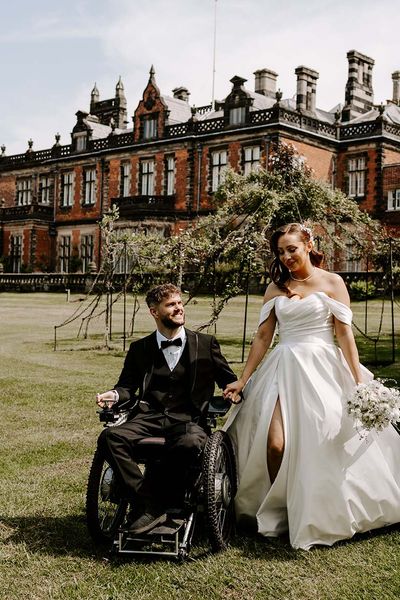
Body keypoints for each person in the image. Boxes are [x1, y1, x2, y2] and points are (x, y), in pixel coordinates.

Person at [223, 222, 400, 550]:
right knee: (275, 444)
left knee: (322, 441)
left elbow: (344, 334)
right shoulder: (276, 288)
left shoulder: (333, 282)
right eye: (280, 252)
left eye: (292, 249)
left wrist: (359, 382)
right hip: (284, 366)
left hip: (322, 367)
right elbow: (264, 336)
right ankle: (279, 510)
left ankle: (316, 509)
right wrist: (244, 378)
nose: (287, 257)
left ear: (308, 244)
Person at [96, 283, 236, 535]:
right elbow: (127, 386)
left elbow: (228, 380)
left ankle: (150, 504)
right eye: (171, 305)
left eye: (180, 303)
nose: (179, 308)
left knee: (191, 442)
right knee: (110, 436)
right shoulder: (140, 349)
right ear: (154, 312)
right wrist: (115, 395)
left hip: (188, 420)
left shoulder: (205, 344)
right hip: (149, 416)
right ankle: (147, 500)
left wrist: (233, 389)